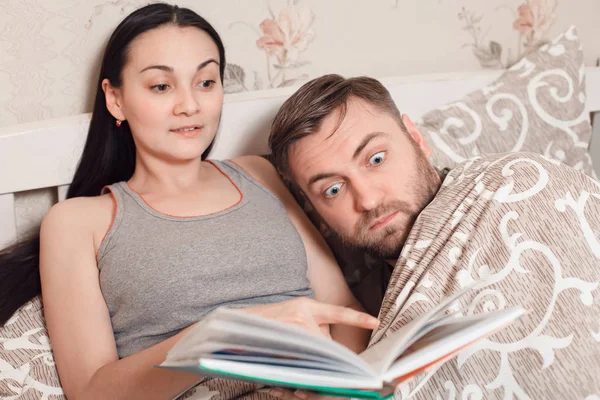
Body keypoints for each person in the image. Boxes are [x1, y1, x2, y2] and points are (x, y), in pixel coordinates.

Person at [0, 6, 379, 400]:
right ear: (115, 99)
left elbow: (342, 310)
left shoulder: (258, 174)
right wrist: (217, 338)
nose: (190, 105)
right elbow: (92, 391)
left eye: (205, 81)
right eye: (161, 86)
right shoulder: (78, 222)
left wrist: (338, 387)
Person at [268, 74, 600, 399]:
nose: (367, 199)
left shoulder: (512, 184)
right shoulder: (366, 318)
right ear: (317, 214)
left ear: (417, 139)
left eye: (376, 159)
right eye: (334, 189)